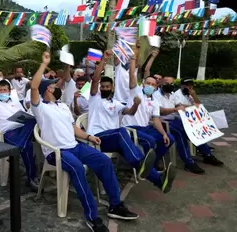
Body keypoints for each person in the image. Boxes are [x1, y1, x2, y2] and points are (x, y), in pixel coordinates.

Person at [31, 51, 139, 232]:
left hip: (75, 146)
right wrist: (43, 64)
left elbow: (74, 129)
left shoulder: (63, 107)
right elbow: (34, 87)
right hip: (57, 152)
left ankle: (115, 205)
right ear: (46, 91)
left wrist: (88, 137)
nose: (56, 87)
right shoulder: (40, 108)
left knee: (104, 161)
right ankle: (92, 217)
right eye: (52, 86)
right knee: (78, 169)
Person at [88, 50, 175, 193]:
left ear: (112, 89)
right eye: (102, 87)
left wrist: (135, 105)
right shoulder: (94, 99)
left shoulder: (116, 103)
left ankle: (159, 182)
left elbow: (130, 112)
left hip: (113, 138)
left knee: (136, 156)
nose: (104, 88)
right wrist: (104, 59)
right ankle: (143, 166)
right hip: (97, 137)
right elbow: (96, 79)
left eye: (107, 87)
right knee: (123, 133)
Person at [0, 79, 39, 189]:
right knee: (28, 146)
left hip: (22, 129)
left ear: (9, 91)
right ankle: (32, 178)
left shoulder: (15, 102)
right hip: (8, 132)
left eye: (5, 90)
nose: (3, 92)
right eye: (0, 90)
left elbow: (24, 114)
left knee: (33, 120)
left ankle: (20, 146)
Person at [122, 49, 175, 171]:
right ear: (143, 84)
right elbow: (132, 76)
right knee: (150, 141)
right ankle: (145, 166)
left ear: (156, 87)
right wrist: (133, 58)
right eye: (148, 83)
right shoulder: (135, 91)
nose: (150, 86)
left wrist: (163, 133)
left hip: (145, 128)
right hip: (131, 128)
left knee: (169, 138)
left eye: (152, 84)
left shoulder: (155, 102)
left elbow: (156, 120)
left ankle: (152, 162)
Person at [158, 77, 223, 172]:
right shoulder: (156, 96)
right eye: (167, 83)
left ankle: (207, 154)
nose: (170, 85)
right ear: (161, 83)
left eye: (172, 83)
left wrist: (191, 104)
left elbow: (180, 105)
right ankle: (188, 162)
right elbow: (159, 111)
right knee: (181, 133)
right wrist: (175, 109)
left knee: (195, 128)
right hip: (164, 121)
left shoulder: (171, 95)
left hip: (176, 118)